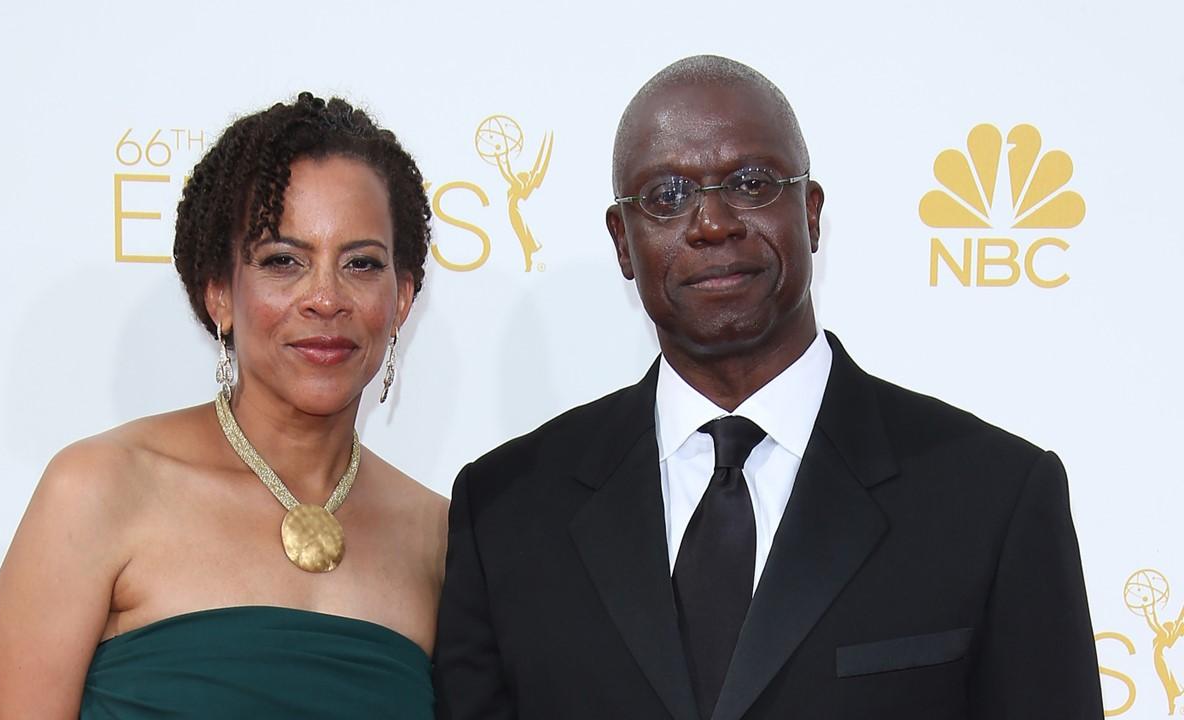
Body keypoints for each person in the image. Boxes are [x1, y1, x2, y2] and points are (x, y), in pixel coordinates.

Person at [434, 56, 1102, 720]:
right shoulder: (504, 515)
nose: (713, 223)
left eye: (751, 183)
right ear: (622, 241)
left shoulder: (995, 497)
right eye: (667, 196)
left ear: (810, 213)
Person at [0, 93, 447, 719]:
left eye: (361, 264)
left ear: (403, 299)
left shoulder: (441, 537)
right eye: (284, 262)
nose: (326, 298)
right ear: (219, 294)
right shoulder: (99, 491)